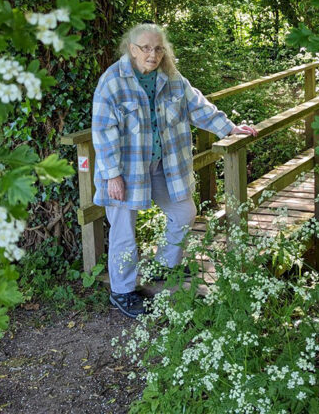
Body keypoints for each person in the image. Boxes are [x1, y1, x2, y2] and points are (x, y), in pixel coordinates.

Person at [91, 23, 258, 318]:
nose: (153, 54)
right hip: (125, 170)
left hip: (163, 164)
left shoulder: (170, 76)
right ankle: (122, 291)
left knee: (184, 212)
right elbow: (102, 132)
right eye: (145, 48)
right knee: (123, 231)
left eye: (158, 48)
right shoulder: (112, 81)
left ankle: (164, 265)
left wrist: (230, 128)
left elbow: (197, 106)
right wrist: (112, 175)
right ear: (131, 49)